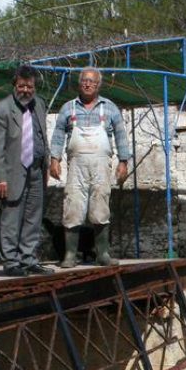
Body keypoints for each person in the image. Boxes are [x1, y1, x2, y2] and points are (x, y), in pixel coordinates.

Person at [49, 67, 130, 267]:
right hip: (76, 167)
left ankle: (102, 253)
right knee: (73, 206)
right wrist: (54, 159)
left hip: (101, 166)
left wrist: (123, 162)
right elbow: (59, 135)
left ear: (98, 85)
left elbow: (120, 135)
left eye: (92, 81)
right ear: (79, 83)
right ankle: (70, 255)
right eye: (84, 80)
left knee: (100, 206)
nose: (87, 84)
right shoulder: (68, 108)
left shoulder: (110, 108)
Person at [0, 65, 53, 276]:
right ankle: (11, 262)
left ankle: (29, 259)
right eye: (22, 86)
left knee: (33, 216)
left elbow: (42, 136)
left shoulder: (39, 105)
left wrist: (47, 165)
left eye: (30, 87)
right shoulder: (2, 110)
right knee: (11, 217)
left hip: (36, 170)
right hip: (12, 172)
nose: (26, 90)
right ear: (14, 85)